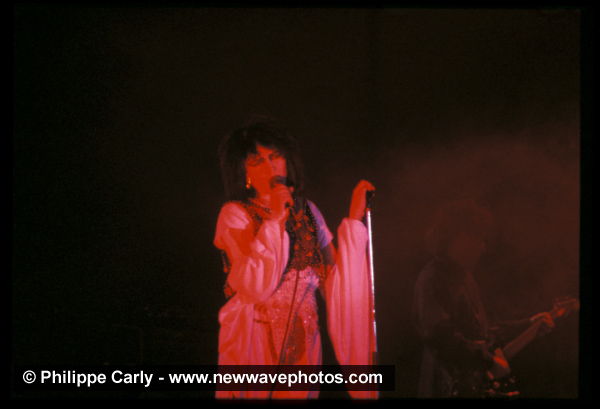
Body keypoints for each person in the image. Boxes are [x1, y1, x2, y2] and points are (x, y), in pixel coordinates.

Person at [213, 115, 377, 399]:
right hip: (256, 341)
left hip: (304, 344)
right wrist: (276, 217)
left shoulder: (309, 211)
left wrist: (353, 218)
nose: (270, 166)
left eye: (275, 156)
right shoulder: (235, 214)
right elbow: (253, 285)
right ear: (244, 171)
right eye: (257, 161)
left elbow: (335, 284)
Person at [413, 199, 554, 398]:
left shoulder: (464, 277)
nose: (483, 248)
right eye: (479, 239)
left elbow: (484, 331)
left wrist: (528, 324)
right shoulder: (433, 278)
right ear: (461, 237)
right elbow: (441, 338)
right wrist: (487, 362)